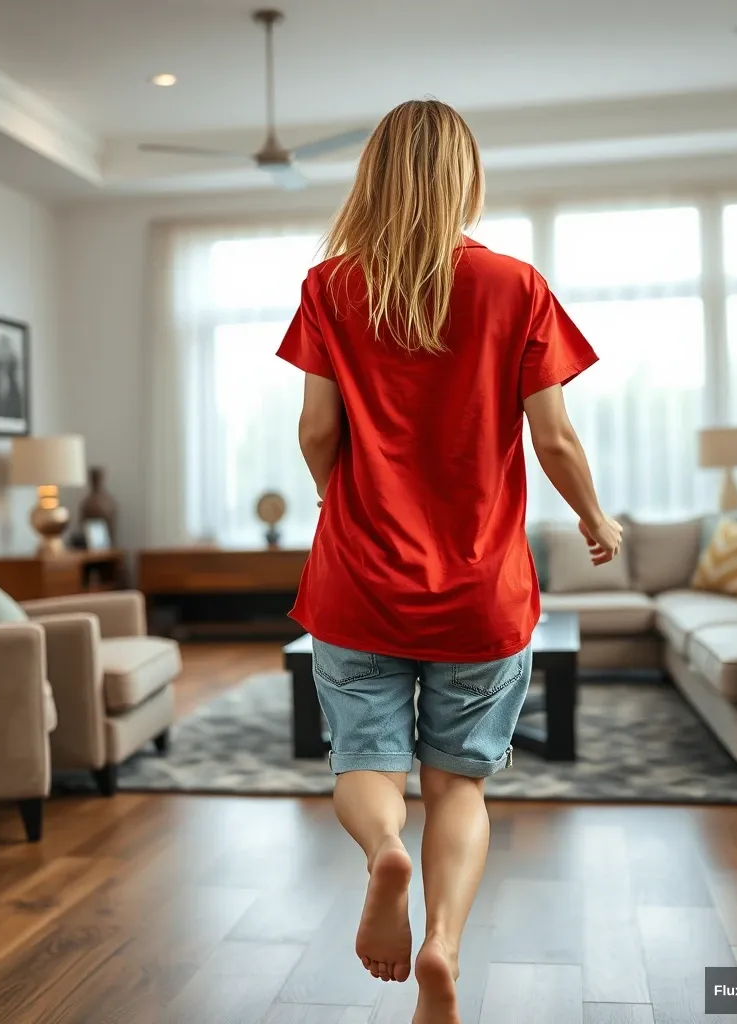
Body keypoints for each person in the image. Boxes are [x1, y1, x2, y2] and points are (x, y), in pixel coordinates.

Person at [277, 99, 622, 1024]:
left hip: (356, 578)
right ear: (465, 176)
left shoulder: (331, 284)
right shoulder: (516, 285)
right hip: (480, 589)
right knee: (458, 782)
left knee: (365, 762)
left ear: (374, 177)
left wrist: (331, 495)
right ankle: (443, 945)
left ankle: (383, 851)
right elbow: (554, 439)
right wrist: (596, 517)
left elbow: (316, 428)